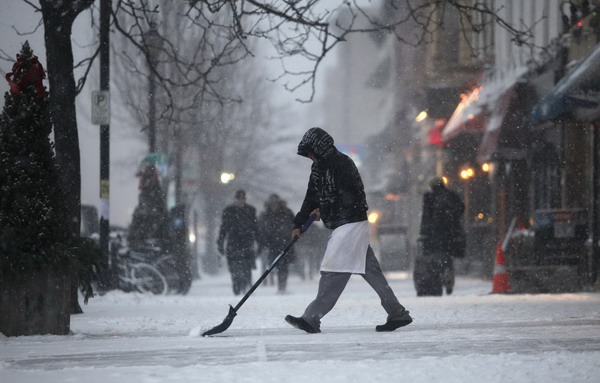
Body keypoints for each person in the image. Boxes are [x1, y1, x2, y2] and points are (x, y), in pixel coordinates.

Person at [285, 127, 412, 333]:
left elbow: (350, 198)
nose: (310, 157)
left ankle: (311, 318)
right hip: (340, 225)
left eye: (311, 152)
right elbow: (311, 198)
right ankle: (397, 313)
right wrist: (298, 224)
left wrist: (324, 210)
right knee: (371, 271)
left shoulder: (342, 164)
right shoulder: (317, 169)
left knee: (333, 271)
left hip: (351, 224)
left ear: (320, 148)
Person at [415, 177, 465, 296]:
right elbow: (461, 209)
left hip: (433, 234)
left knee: (433, 258)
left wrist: (424, 232)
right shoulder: (451, 196)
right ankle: (448, 275)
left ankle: (436, 279)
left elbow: (426, 216)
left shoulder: (429, 197)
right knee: (446, 256)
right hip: (450, 234)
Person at [217, 189, 259, 295]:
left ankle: (245, 285)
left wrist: (259, 241)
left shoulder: (250, 210)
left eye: (242, 199)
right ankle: (237, 285)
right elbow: (224, 228)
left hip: (246, 242)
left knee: (247, 267)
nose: (241, 201)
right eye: (239, 199)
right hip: (233, 243)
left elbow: (255, 227)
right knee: (234, 267)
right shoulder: (229, 211)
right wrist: (220, 242)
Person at [258, 194, 296, 293]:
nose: (274, 206)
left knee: (284, 266)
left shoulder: (287, 213)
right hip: (272, 245)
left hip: (285, 244)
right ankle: (279, 285)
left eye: (276, 204)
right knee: (276, 265)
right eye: (272, 204)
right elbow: (261, 229)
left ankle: (282, 286)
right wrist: (264, 241)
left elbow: (294, 225)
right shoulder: (265, 215)